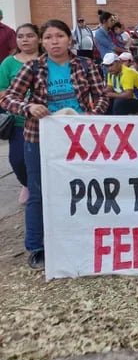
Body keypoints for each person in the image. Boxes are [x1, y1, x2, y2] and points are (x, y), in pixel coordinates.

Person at [0, 19, 109, 270]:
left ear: (69, 39)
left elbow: (101, 95)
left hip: (79, 138)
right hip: (39, 137)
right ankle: (37, 247)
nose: (54, 42)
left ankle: (81, 237)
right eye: (48, 37)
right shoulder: (33, 68)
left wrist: (92, 117)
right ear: (42, 41)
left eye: (59, 36)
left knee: (82, 188)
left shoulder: (85, 64)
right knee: (38, 192)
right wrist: (28, 107)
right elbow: (9, 99)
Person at [0, 24, 42, 205]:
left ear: (39, 38)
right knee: (17, 160)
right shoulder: (8, 63)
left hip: (46, 121)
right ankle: (27, 184)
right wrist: (21, 103)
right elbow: (2, 89)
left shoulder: (47, 59)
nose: (25, 39)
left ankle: (40, 188)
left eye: (30, 35)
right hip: (18, 121)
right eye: (21, 36)